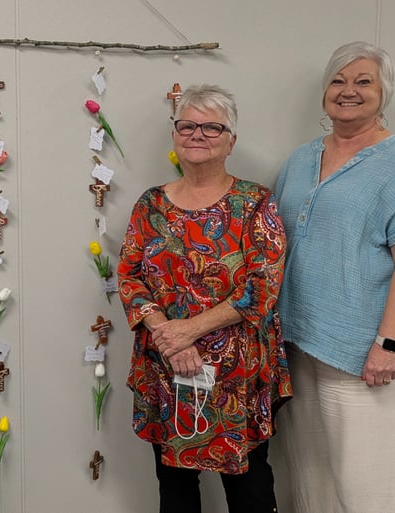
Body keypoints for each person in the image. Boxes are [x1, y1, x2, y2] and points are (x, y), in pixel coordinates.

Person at [275, 41, 395, 513]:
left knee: (371, 497)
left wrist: (387, 345)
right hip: (305, 346)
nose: (348, 91)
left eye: (363, 81)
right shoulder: (301, 160)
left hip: (371, 354)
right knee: (314, 488)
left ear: (383, 94)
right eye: (338, 80)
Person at [117, 84, 291, 513]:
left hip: (237, 373)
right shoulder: (150, 204)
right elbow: (130, 276)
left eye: (212, 127)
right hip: (166, 366)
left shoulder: (255, 203)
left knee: (249, 485)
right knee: (173, 485)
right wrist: (168, 336)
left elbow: (263, 285)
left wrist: (187, 331)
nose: (198, 134)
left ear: (231, 141)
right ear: (175, 135)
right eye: (187, 125)